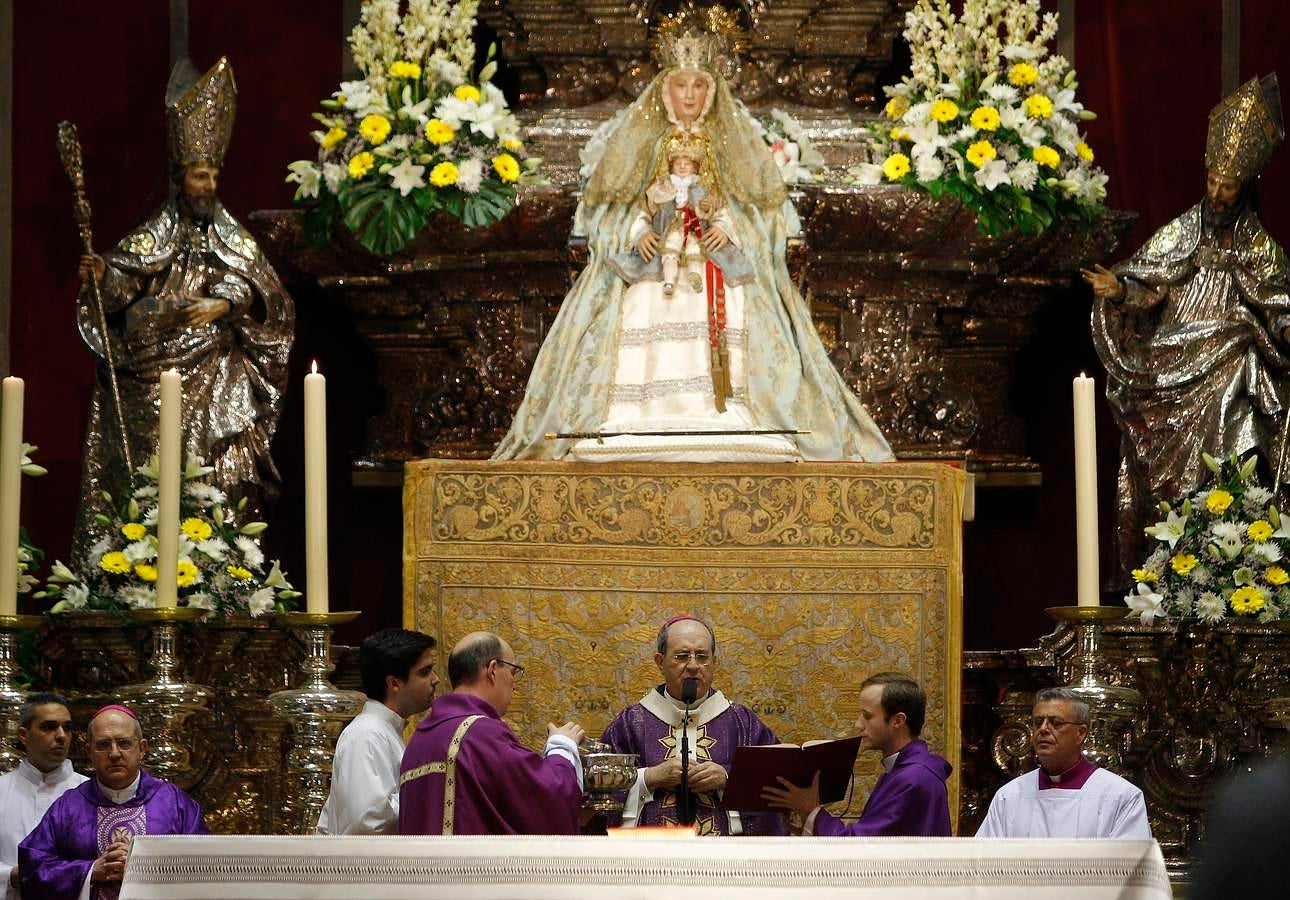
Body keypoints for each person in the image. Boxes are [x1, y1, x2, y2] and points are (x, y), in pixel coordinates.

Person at [492, 7, 892, 463]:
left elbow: (758, 212)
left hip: (713, 261)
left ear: (712, 91)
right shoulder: (644, 146)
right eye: (681, 85)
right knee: (643, 302)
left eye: (699, 85)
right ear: (665, 91)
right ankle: (634, 414)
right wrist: (638, 232)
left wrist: (727, 231)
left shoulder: (731, 147)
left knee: (735, 308)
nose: (689, 95)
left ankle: (729, 410)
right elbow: (615, 208)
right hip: (657, 256)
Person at [71, 56, 294, 565]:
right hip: (152, 379)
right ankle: (138, 567)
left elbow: (272, 301)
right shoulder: (156, 233)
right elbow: (122, 286)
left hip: (215, 380)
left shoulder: (233, 237)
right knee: (150, 478)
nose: (209, 185)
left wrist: (228, 302)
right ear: (179, 179)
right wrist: (105, 276)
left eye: (214, 174)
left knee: (217, 474)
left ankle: (220, 570)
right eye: (199, 175)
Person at [1086, 74, 1287, 573]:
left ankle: (1231, 552)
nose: (1218, 192)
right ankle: (1171, 559)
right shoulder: (1182, 229)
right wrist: (1120, 291)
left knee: (1243, 373)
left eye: (1229, 184)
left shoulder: (1260, 248)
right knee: (1165, 467)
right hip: (1172, 358)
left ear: (1247, 185)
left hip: (1231, 359)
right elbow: (1149, 279)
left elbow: (1281, 307)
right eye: (1213, 180)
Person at [600, 614, 784, 835]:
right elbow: (598, 793)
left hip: (727, 860)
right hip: (649, 857)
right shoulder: (631, 723)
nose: (694, 666)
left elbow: (777, 783)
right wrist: (648, 778)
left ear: (714, 662)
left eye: (702, 656)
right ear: (660, 662)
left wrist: (727, 779)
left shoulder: (741, 721)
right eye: (682, 656)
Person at [398, 632, 585, 835]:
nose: (514, 684)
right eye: (513, 673)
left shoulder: (418, 739)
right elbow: (550, 800)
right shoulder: (480, 734)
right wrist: (561, 746)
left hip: (424, 866)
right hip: (471, 867)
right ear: (493, 669)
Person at [18, 705, 209, 899]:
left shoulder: (174, 803)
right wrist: (91, 871)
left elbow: (206, 865)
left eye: (124, 743)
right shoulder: (68, 807)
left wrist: (144, 864)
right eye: (103, 745)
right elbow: (32, 869)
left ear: (142, 748)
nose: (115, 753)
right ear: (89, 752)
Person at [761, 672, 952, 836]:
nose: (858, 724)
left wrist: (812, 811)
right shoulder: (906, 771)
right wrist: (805, 823)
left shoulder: (913, 778)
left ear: (898, 721)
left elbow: (862, 847)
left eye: (867, 716)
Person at [976, 687, 1151, 838]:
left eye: (1056, 723)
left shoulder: (1121, 796)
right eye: (1038, 722)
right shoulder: (1009, 796)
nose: (1043, 729)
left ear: (1080, 733)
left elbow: (1130, 871)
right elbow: (982, 864)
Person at [317, 628, 438, 835]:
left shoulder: (383, 730)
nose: (435, 679)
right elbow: (368, 822)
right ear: (394, 683)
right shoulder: (367, 734)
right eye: (424, 672)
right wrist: (426, 792)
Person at [0, 693, 88, 900]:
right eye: (49, 727)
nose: (61, 735)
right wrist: (13, 876)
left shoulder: (89, 792)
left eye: (67, 728)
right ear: (23, 734)